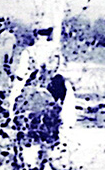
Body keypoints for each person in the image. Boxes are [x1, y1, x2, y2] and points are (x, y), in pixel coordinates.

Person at [9, 18, 67, 147]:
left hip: (34, 83)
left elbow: (21, 73)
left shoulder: (29, 51)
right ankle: (60, 128)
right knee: (63, 105)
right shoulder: (56, 49)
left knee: (14, 99)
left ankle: (15, 124)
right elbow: (62, 67)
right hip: (54, 84)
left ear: (35, 33)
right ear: (49, 33)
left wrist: (18, 77)